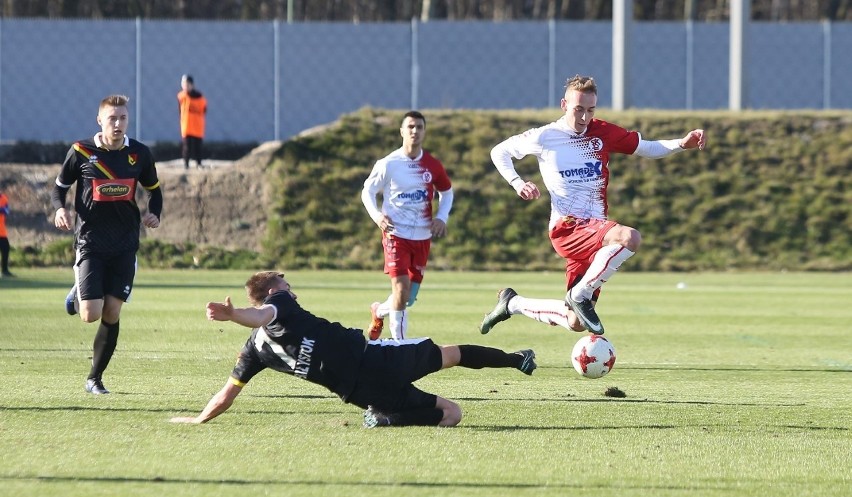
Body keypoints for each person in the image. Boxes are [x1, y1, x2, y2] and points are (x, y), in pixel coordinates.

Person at [480, 75, 706, 337]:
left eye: (590, 110)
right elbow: (499, 151)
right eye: (578, 109)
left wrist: (681, 144)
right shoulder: (546, 136)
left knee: (575, 322)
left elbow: (646, 148)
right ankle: (580, 294)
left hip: (595, 233)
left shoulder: (603, 132)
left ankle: (512, 303)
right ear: (564, 105)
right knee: (629, 237)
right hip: (568, 228)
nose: (584, 117)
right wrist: (517, 183)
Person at [169, 271, 536, 427]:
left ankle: (384, 418)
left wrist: (200, 418)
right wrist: (235, 315)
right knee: (452, 354)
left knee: (452, 414)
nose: (291, 288)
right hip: (377, 361)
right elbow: (259, 314)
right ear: (273, 290)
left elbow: (226, 394)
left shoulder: (253, 353)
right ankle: (516, 359)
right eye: (285, 283)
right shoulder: (279, 304)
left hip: (360, 393)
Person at [52, 94, 163, 395]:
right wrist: (60, 209)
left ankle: (94, 378)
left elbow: (155, 191)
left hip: (126, 244)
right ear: (99, 120)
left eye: (123, 118)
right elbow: (59, 189)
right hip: (90, 242)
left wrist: (155, 214)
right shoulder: (80, 151)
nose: (118, 123)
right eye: (112, 118)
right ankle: (79, 289)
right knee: (89, 314)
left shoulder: (139, 154)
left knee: (111, 312)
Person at [361, 111, 454, 340]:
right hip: (396, 234)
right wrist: (377, 216)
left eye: (419, 127)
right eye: (410, 127)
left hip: (422, 236)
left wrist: (442, 217)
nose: (415, 131)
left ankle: (378, 311)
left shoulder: (432, 165)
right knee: (401, 290)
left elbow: (447, 192)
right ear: (401, 131)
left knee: (406, 298)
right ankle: (400, 348)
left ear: (424, 131)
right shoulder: (389, 163)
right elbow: (368, 191)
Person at [177, 74, 207, 169]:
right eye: (183, 84)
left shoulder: (200, 98)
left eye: (187, 84)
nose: (185, 86)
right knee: (187, 147)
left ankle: (199, 163)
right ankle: (186, 165)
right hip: (186, 126)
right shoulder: (181, 96)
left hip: (197, 126)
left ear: (192, 85)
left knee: (198, 147)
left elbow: (204, 110)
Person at [0, 190, 13, 277]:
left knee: (6, 250)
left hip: (2, 232)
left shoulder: (3, 198)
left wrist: (2, 209)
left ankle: (5, 271)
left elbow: (7, 210)